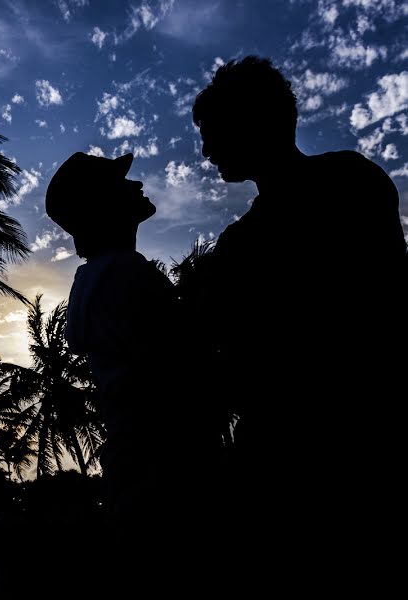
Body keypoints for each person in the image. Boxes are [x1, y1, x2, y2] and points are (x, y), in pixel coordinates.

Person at [192, 56, 406, 574]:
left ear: (253, 123)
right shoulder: (356, 180)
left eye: (214, 132)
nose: (206, 150)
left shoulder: (241, 246)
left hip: (305, 464)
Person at [46, 152, 220, 559]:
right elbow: (178, 373)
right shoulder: (126, 275)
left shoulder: (96, 276)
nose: (135, 185)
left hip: (141, 472)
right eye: (119, 183)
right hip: (168, 477)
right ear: (101, 205)